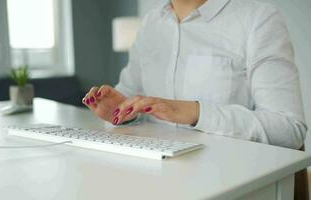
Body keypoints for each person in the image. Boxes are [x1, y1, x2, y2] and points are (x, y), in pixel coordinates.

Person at [82, 0, 307, 150]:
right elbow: (127, 96)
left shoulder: (258, 19)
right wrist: (121, 111)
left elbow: (288, 128)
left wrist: (193, 112)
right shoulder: (152, 23)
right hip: (154, 176)